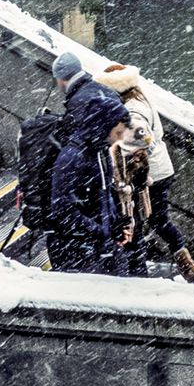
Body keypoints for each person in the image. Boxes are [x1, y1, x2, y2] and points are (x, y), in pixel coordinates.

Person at [101, 62, 194, 282]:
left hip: (148, 175)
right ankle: (184, 260)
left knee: (141, 221)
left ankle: (147, 270)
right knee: (158, 220)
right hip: (160, 169)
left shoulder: (132, 109)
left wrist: (116, 148)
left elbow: (144, 139)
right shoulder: (140, 98)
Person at [48, 80, 132, 276]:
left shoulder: (100, 151)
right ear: (104, 126)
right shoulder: (73, 156)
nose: (120, 139)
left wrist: (116, 224)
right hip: (78, 250)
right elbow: (62, 208)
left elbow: (104, 193)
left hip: (100, 244)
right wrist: (102, 231)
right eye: (118, 132)